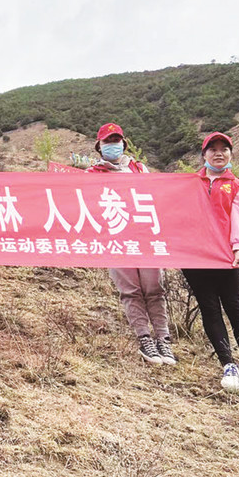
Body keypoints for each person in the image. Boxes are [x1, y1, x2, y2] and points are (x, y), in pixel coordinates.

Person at [182, 132, 239, 394]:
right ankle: (228, 364)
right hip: (196, 257)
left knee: (236, 308)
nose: (219, 153)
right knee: (209, 308)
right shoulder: (189, 184)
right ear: (204, 155)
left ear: (230, 154)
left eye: (224, 149)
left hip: (225, 256)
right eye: (213, 149)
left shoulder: (237, 186)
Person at [87, 123, 176, 366]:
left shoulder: (139, 169)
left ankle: (163, 339)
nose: (112, 145)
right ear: (99, 146)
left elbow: (155, 197)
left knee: (154, 288)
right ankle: (144, 338)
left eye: (116, 140)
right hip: (115, 241)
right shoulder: (91, 175)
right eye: (107, 141)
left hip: (145, 238)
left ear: (124, 144)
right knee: (130, 291)